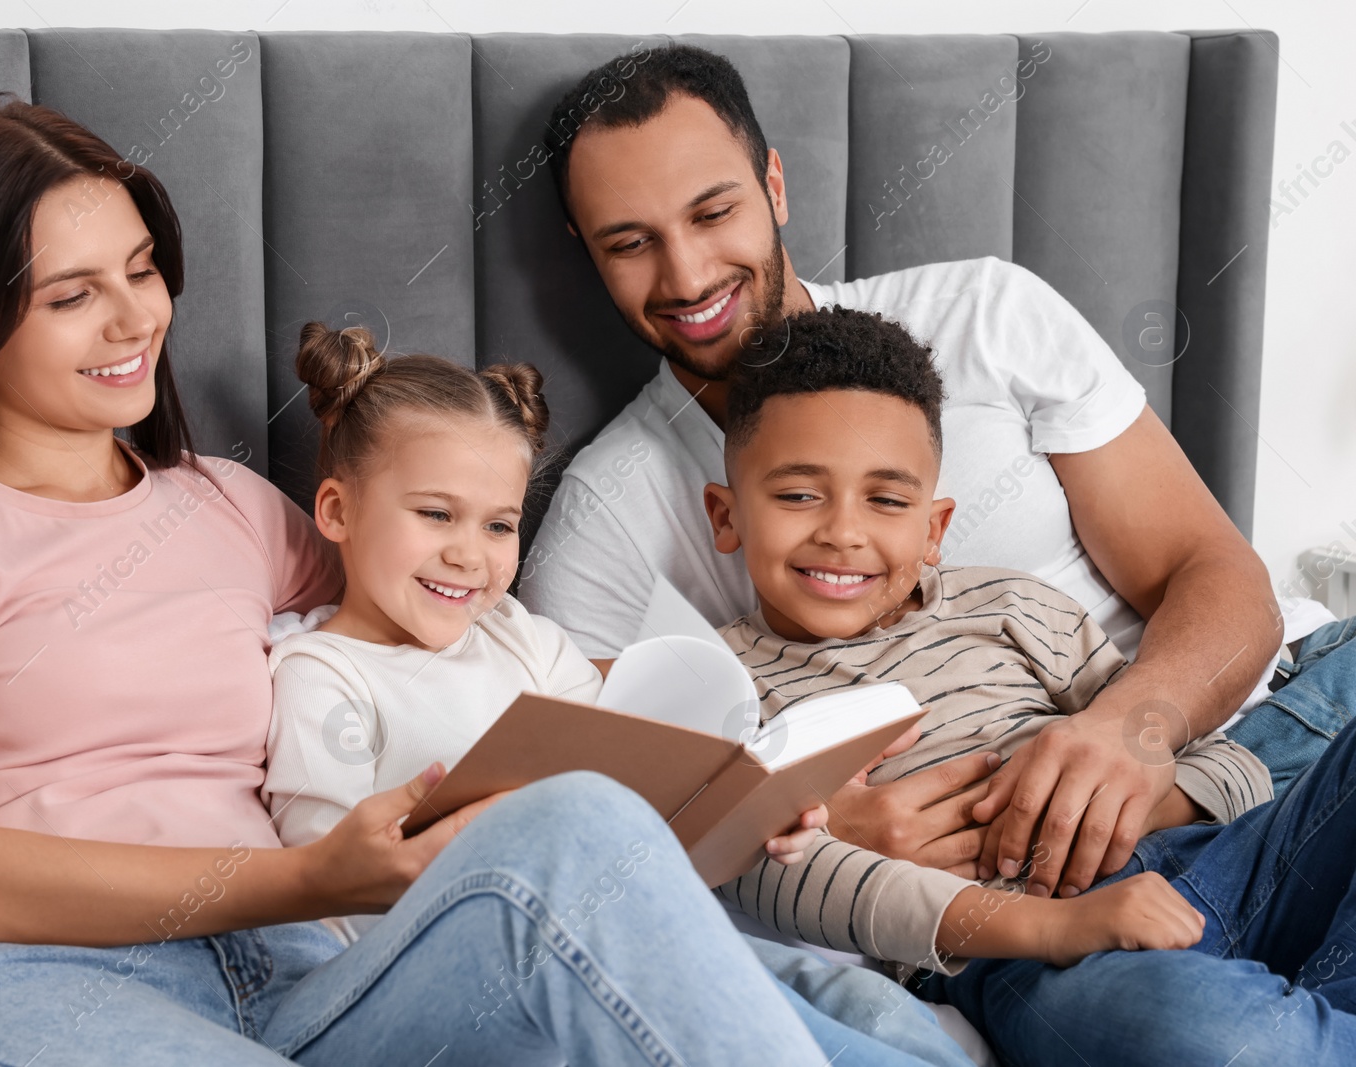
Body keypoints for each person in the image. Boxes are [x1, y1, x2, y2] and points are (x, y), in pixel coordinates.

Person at [0, 92, 940, 1067]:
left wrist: (712, 777)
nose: (135, 317)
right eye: (72, 294)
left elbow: (447, 616)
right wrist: (306, 874)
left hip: (309, 973)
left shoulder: (226, 506)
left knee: (582, 821)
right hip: (40, 980)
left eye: (142, 269)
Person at [518, 42, 1343, 903]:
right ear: (587, 251)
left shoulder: (986, 312)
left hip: (1288, 702)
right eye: (630, 243)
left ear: (773, 186)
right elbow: (601, 821)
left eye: (713, 211)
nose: (687, 275)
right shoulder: (606, 515)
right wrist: (812, 825)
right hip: (1061, 881)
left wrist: (1132, 731)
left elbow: (1216, 572)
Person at [260, 320, 974, 1066]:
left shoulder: (516, 635)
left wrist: (749, 817)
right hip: (438, 967)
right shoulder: (322, 671)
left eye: (499, 524)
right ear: (339, 511)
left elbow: (632, 803)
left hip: (597, 914)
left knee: (866, 1004)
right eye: (435, 513)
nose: (469, 554)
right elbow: (327, 894)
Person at [709, 305, 1356, 1064]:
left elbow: (1224, 763)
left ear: (934, 529)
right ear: (726, 516)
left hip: (1217, 860)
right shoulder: (729, 689)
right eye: (797, 495)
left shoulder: (1014, 606)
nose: (843, 532)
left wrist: (1098, 810)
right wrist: (1054, 917)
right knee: (1220, 1039)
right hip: (1023, 949)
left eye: (886, 499)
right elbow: (773, 877)